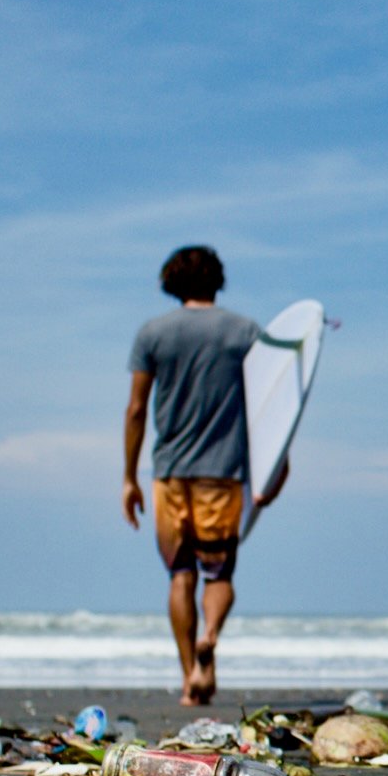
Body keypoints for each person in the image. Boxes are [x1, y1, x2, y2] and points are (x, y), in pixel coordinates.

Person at [122, 246, 284, 705]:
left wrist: (130, 476)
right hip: (223, 473)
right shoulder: (245, 332)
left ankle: (189, 672)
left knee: (180, 575)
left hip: (170, 472)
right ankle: (210, 634)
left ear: (171, 282)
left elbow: (136, 409)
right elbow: (272, 403)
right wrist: (277, 460)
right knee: (218, 573)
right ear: (217, 279)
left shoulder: (152, 333)